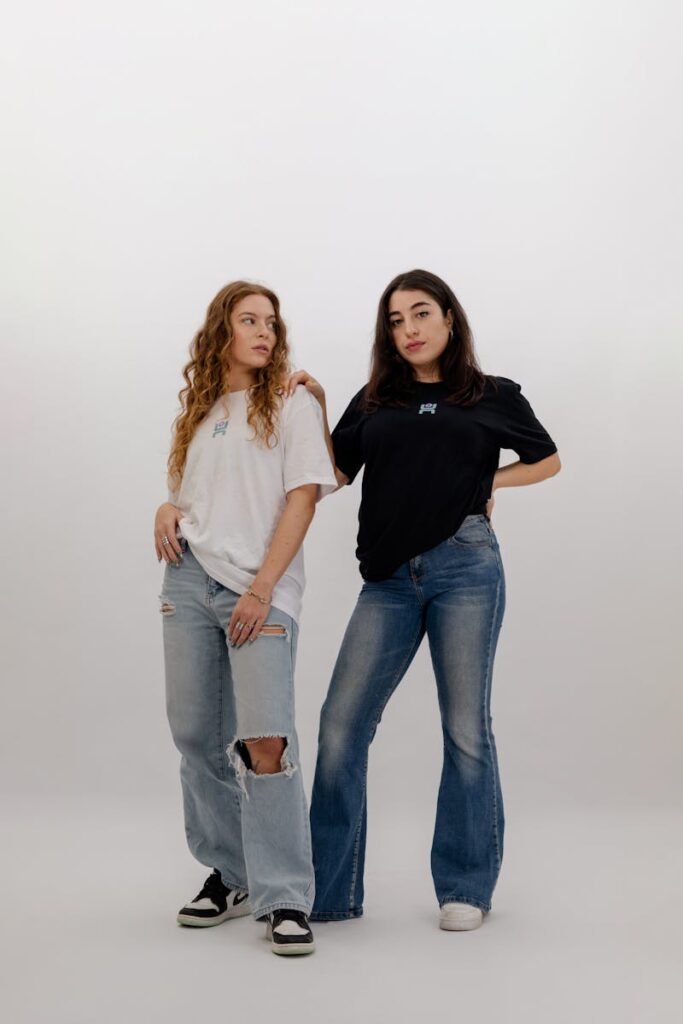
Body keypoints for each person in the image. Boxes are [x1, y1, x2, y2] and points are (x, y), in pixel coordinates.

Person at [286, 268, 561, 931]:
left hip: (466, 566)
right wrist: (319, 407)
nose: (407, 329)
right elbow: (331, 475)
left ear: (447, 319)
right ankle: (328, 891)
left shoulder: (490, 395)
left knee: (465, 727)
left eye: (418, 314)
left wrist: (489, 480)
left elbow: (546, 458)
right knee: (340, 724)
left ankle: (464, 886)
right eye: (394, 320)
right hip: (385, 580)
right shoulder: (376, 398)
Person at [155, 280, 337, 955]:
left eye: (271, 322)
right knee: (196, 736)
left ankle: (285, 895)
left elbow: (303, 498)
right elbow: (191, 498)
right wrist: (165, 509)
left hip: (259, 590)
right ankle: (230, 874)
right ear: (221, 332)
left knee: (266, 742)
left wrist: (262, 587)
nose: (263, 332)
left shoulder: (292, 401)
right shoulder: (198, 411)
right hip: (187, 580)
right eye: (248, 320)